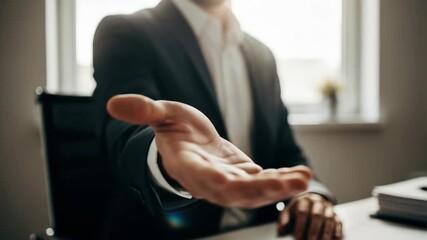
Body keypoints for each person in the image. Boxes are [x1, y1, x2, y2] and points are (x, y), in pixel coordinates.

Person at [92, 0, 343, 239]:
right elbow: (124, 134)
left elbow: (287, 152)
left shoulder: (262, 56)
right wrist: (165, 160)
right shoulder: (126, 32)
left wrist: (310, 194)